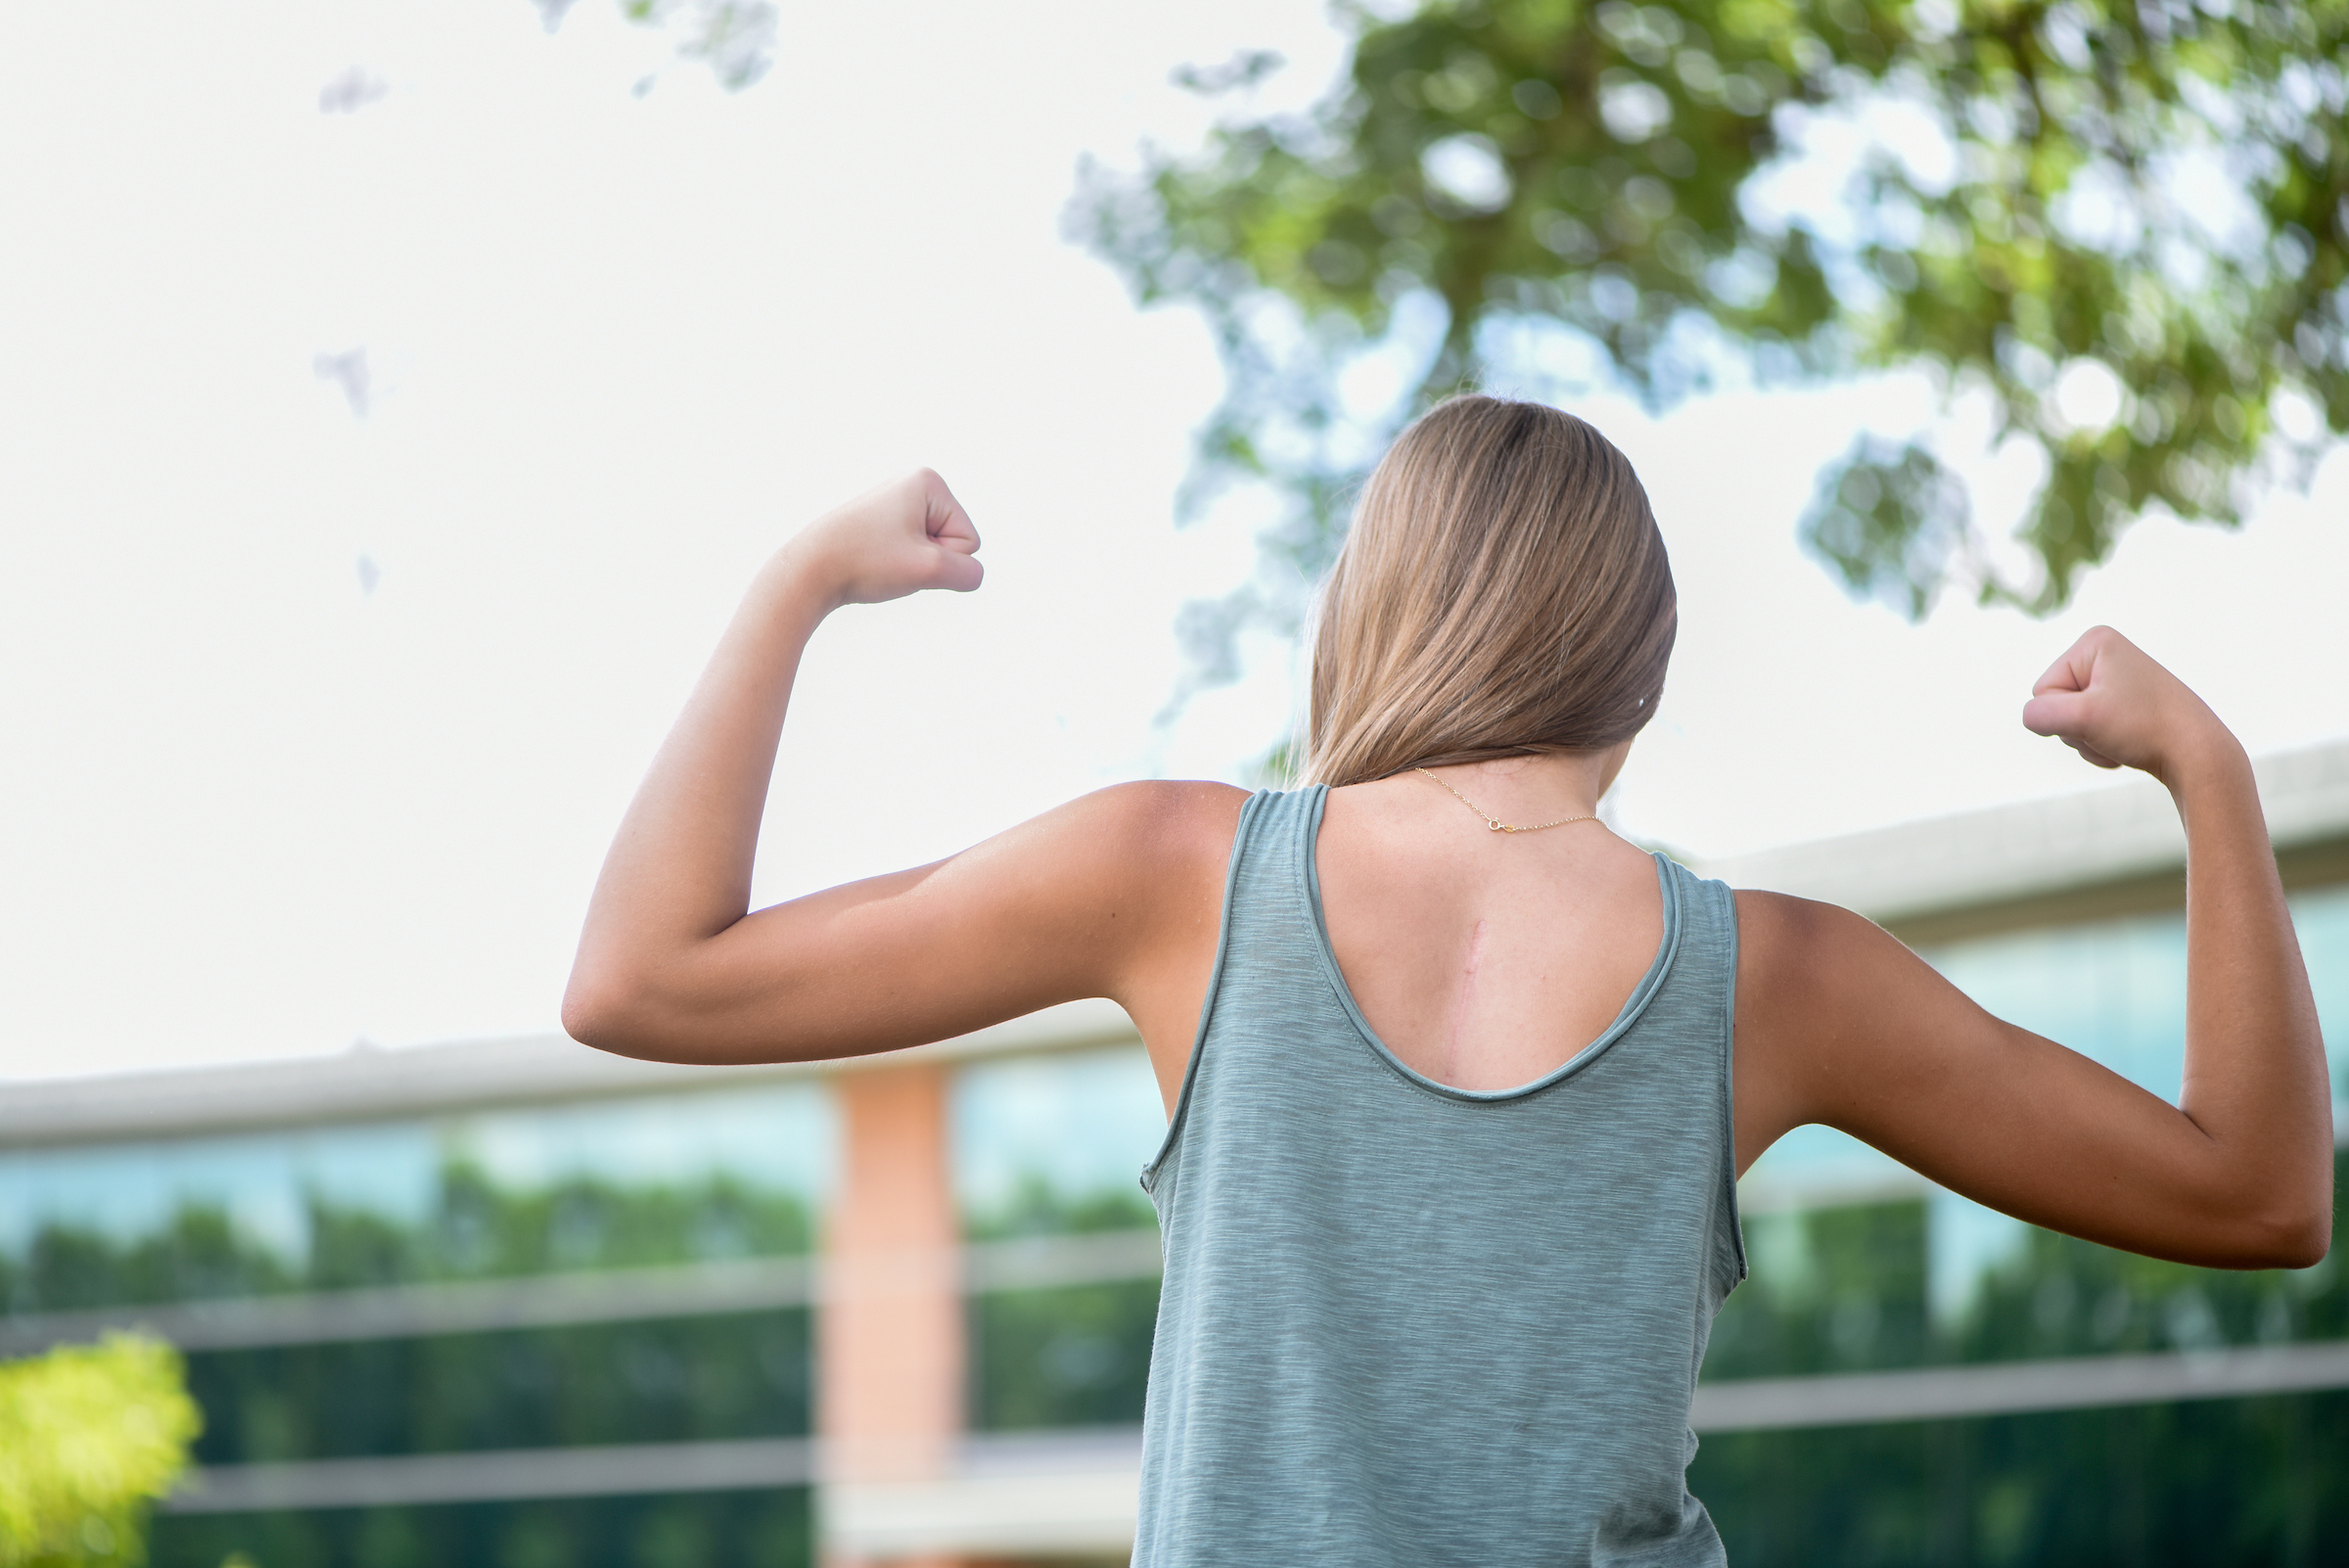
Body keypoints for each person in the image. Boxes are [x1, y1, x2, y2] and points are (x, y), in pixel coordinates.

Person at [563, 395, 2331, 1564]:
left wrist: (797, 583)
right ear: (1637, 682)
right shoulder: (1774, 976)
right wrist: (2209, 773)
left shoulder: (1176, 875)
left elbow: (643, 976)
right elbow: (2260, 1192)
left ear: (1372, 619)